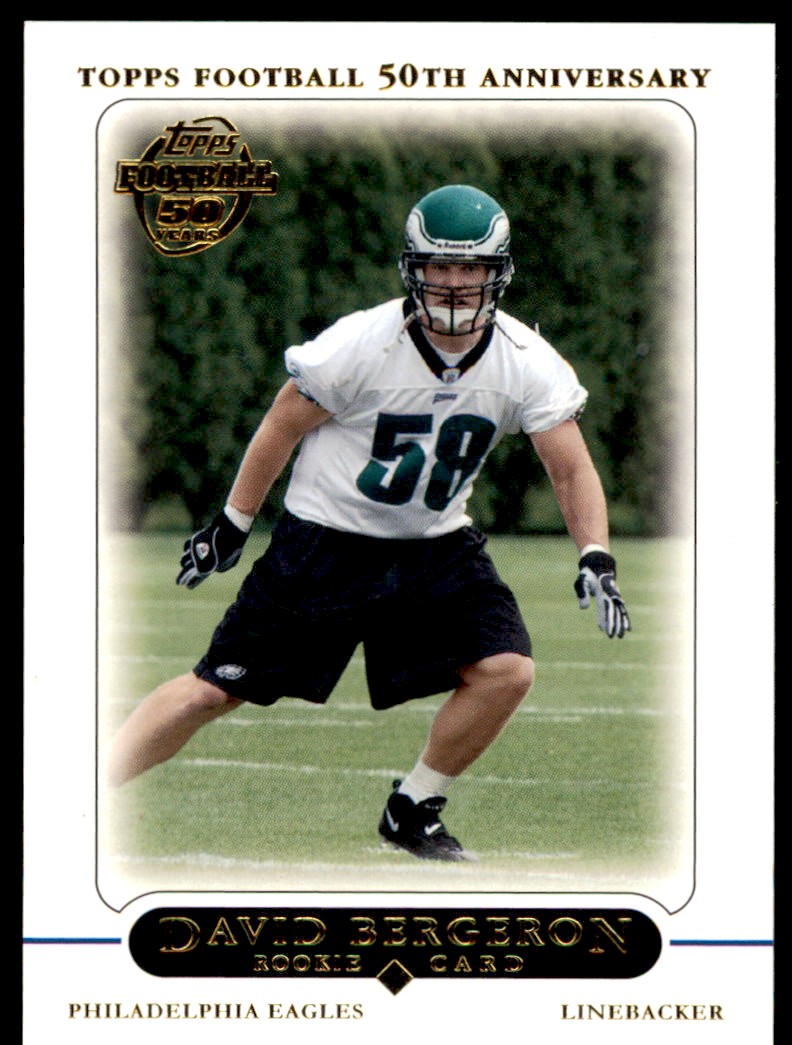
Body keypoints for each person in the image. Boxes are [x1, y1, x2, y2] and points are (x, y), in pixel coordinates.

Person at [106, 183, 630, 862]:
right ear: (413, 267)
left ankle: (412, 809)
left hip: (434, 545)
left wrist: (595, 554)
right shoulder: (362, 343)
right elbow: (281, 425)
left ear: (497, 272)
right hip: (324, 544)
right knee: (212, 691)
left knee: (507, 669)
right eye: (439, 265)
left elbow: (570, 469)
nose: (453, 283)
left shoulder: (526, 362)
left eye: (470, 266)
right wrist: (232, 523)